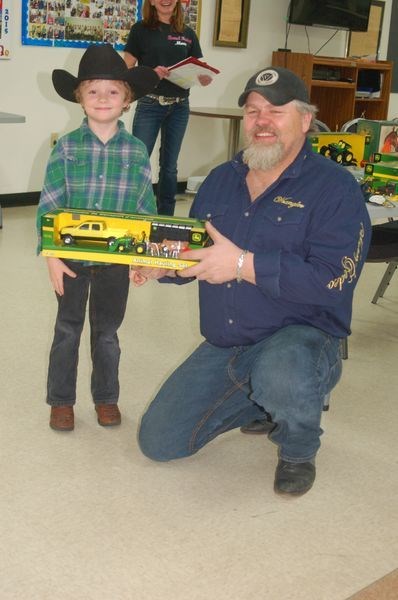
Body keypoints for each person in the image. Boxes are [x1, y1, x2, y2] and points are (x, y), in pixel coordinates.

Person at [130, 66, 372, 497]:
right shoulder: (221, 180)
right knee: (160, 442)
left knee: (282, 371)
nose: (262, 121)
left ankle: (297, 445)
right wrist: (166, 267)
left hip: (304, 338)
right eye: (253, 111)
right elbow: (201, 250)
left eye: (276, 111)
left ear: (305, 120)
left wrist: (243, 264)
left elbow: (334, 280)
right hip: (231, 341)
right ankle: (261, 399)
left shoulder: (335, 188)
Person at [36, 44, 159, 432]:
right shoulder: (66, 148)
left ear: (127, 100)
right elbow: (49, 205)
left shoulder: (137, 152)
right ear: (79, 97)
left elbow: (145, 208)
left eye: (113, 91)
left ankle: (106, 397)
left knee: (107, 333)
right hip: (70, 260)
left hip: (115, 262)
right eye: (93, 91)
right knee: (67, 330)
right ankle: (61, 401)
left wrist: (144, 256)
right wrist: (52, 257)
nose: (102, 98)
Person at [123, 0, 213, 216]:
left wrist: (202, 77)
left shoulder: (188, 33)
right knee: (138, 162)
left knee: (170, 167)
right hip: (150, 104)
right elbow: (126, 69)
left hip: (179, 107)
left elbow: (196, 68)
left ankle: (166, 217)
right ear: (152, 2)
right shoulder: (140, 30)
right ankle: (134, 213)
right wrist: (150, 74)